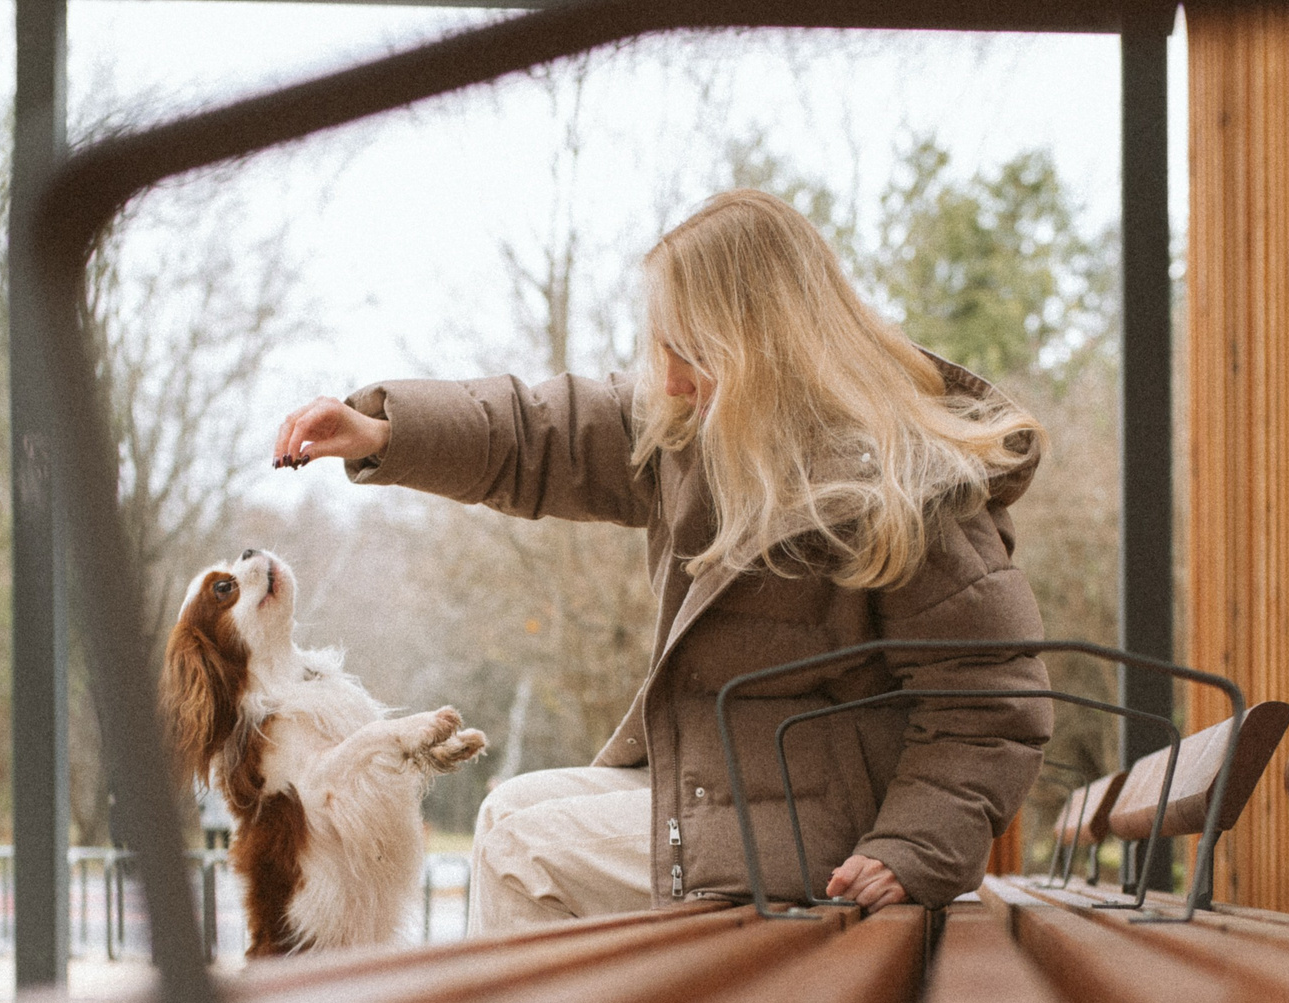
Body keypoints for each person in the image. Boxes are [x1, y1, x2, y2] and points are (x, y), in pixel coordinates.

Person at [271, 188, 1052, 934]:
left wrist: (911, 849)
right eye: (664, 349)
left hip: (839, 835)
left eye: (693, 350)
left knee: (523, 855)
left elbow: (993, 700)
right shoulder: (695, 431)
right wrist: (384, 434)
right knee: (507, 809)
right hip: (746, 792)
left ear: (768, 342)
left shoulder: (900, 480)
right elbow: (541, 432)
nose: (671, 378)